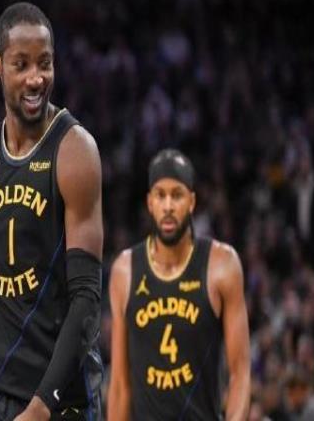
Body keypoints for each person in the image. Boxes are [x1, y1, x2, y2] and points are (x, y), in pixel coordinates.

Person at [0, 2, 103, 421]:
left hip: (61, 398)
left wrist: (41, 406)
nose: (36, 78)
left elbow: (86, 300)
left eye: (45, 63)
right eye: (21, 65)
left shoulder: (75, 152)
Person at [107, 149, 251, 420]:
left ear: (192, 201)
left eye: (177, 195)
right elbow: (119, 386)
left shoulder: (221, 265)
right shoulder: (124, 271)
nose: (168, 206)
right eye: (160, 195)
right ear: (149, 202)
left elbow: (240, 373)